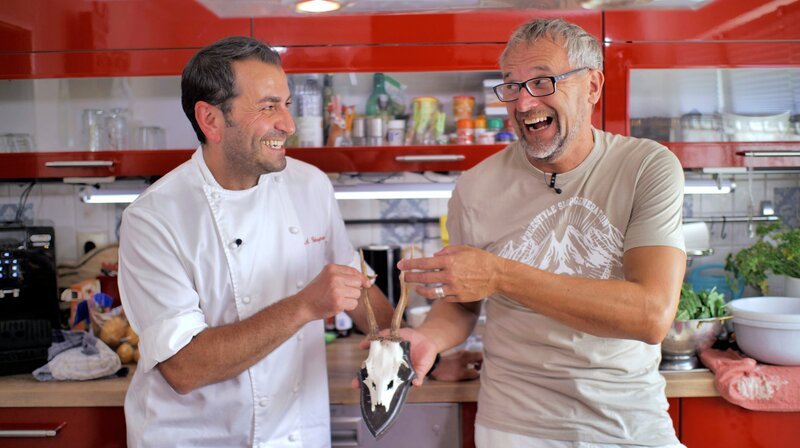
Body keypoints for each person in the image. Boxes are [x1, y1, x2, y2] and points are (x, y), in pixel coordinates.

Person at [398, 18, 686, 448]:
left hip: (628, 421)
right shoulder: (475, 187)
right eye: (511, 85)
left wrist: (501, 275)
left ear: (592, 86)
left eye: (541, 81)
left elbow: (651, 315)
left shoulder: (646, 167)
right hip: (513, 426)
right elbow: (462, 306)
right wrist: (428, 338)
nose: (523, 102)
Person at [118, 36, 401, 447]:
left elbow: (355, 287)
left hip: (296, 435)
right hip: (198, 439)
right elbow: (184, 368)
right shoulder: (155, 218)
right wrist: (305, 305)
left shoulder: (310, 185)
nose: (288, 124)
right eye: (268, 107)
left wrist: (401, 341)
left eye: (286, 104)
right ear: (211, 119)